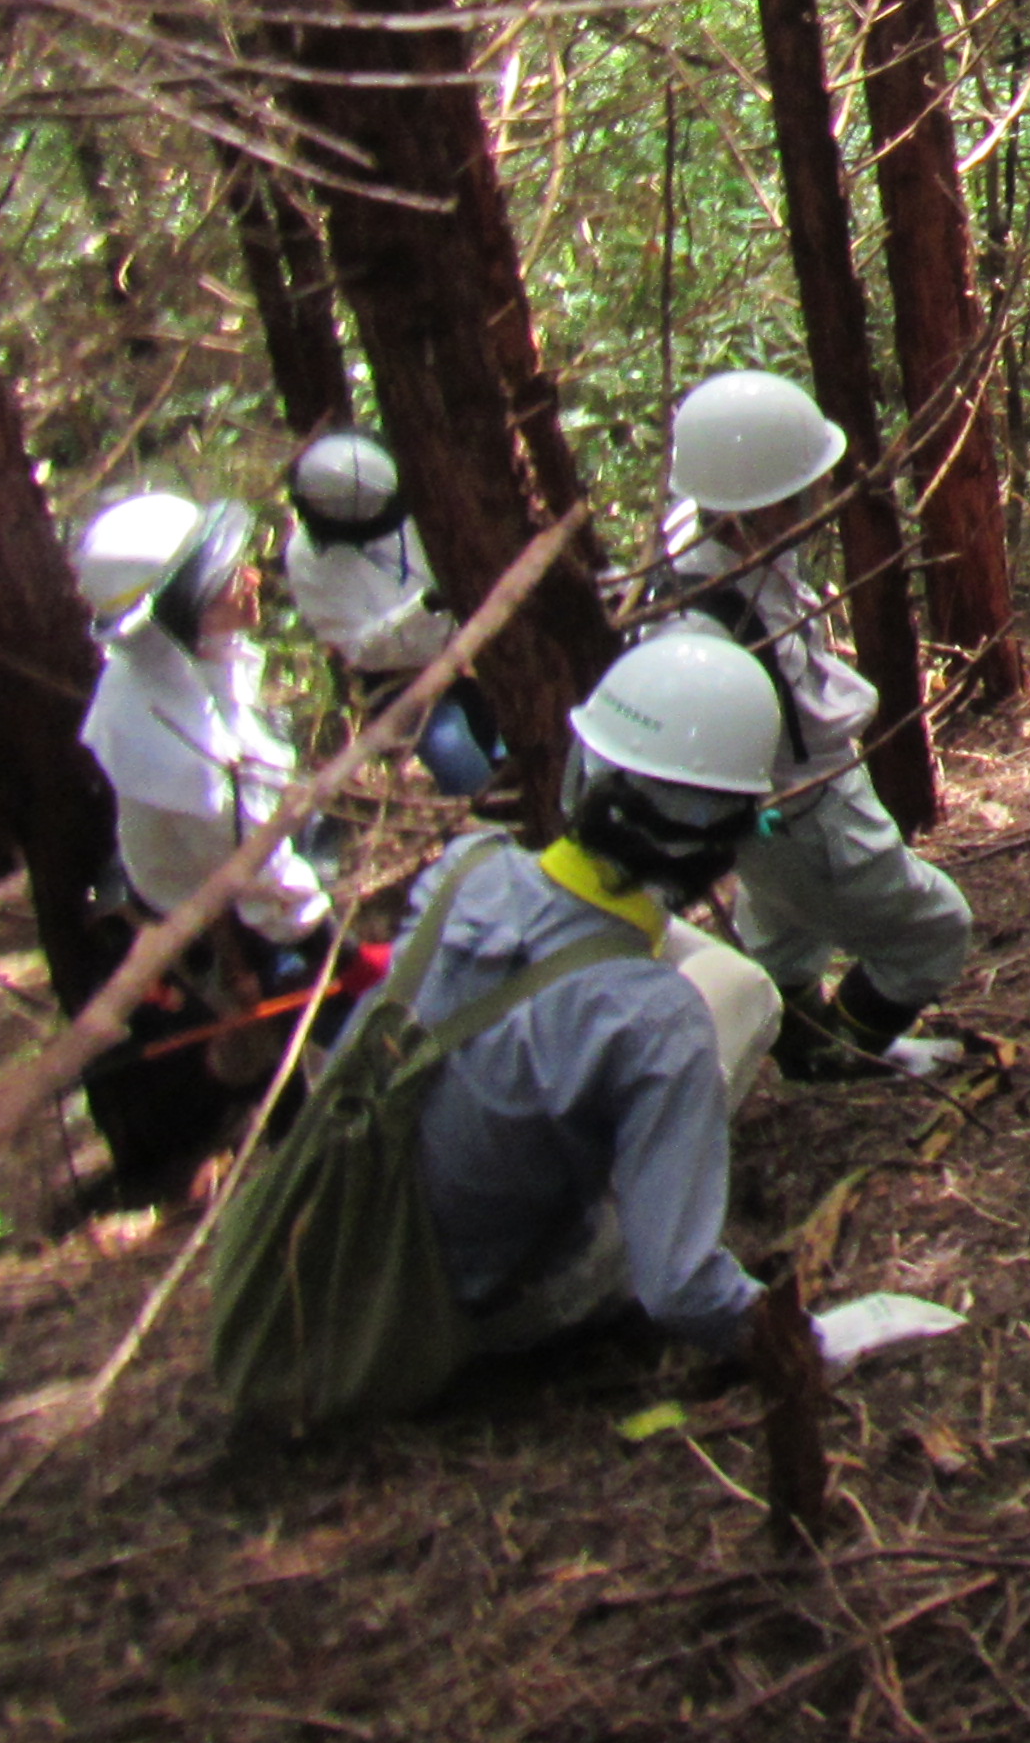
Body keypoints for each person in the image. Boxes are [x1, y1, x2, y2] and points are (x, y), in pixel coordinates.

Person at [368, 631, 789, 1362]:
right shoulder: (658, 1022)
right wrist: (795, 1337)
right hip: (463, 1310)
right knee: (746, 994)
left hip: (370, 1238)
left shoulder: (467, 871)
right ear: (725, 843)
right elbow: (680, 1290)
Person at [644, 370, 973, 1080]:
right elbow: (810, 723)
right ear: (754, 510)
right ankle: (843, 1055)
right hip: (805, 810)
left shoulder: (713, 534)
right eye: (802, 492)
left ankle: (804, 1046)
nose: (820, 502)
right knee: (934, 930)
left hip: (776, 817)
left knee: (783, 935)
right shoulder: (704, 625)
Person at [68, 491, 375, 1193]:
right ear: (186, 603)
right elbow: (260, 875)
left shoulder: (187, 668)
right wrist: (338, 953)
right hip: (231, 922)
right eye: (231, 574)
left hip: (230, 897)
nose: (254, 579)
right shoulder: (179, 746)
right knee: (347, 1054)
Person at [279, 424, 504, 794]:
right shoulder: (308, 560)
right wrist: (425, 607)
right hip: (402, 681)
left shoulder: (426, 502)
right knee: (460, 764)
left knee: (520, 747)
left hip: (485, 652)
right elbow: (361, 650)